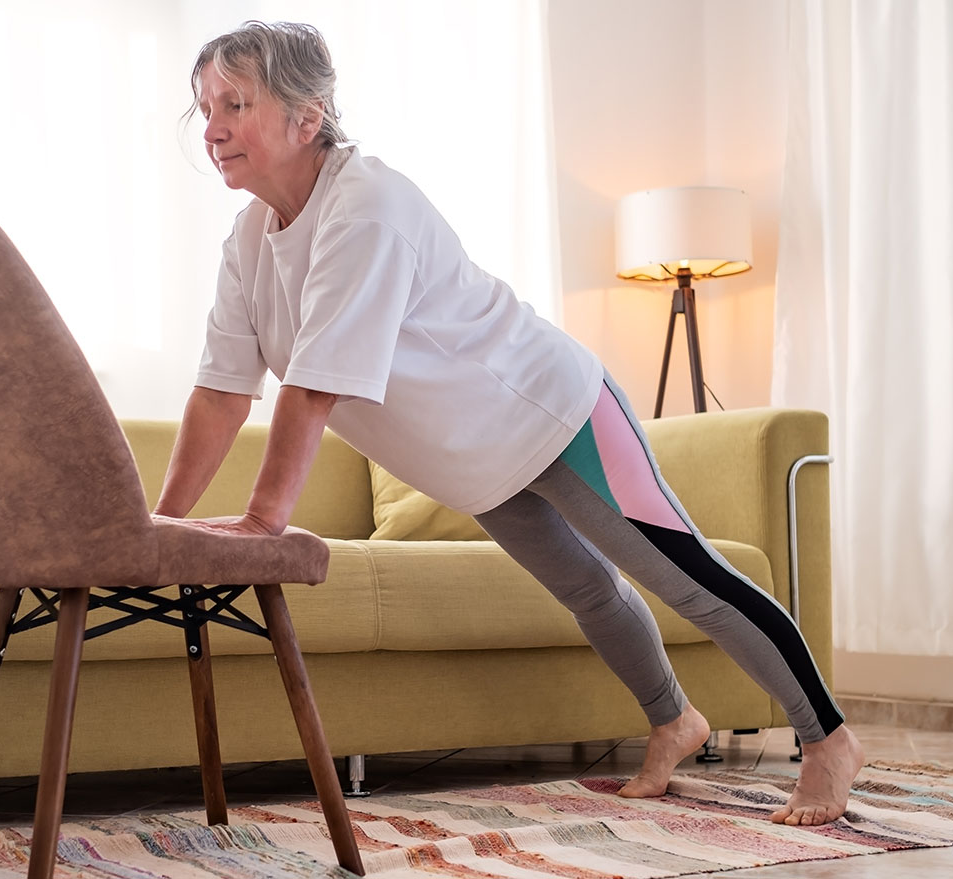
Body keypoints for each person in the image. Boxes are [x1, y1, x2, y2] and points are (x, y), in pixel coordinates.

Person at [153, 20, 864, 827]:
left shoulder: (367, 207)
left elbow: (311, 389)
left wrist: (261, 521)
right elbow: (220, 392)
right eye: (204, 108)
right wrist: (162, 525)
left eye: (234, 105)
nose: (211, 129)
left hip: (553, 410)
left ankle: (829, 739)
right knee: (590, 591)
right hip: (477, 459)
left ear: (306, 116)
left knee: (685, 575)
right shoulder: (249, 240)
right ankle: (675, 719)